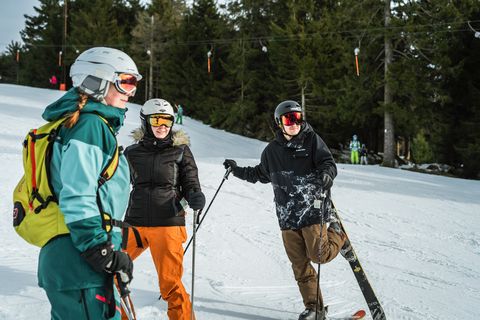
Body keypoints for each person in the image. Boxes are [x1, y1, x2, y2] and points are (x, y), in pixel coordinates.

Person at [38, 47, 142, 319]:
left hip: (78, 262)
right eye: (125, 82)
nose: (130, 92)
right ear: (97, 80)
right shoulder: (90, 126)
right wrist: (100, 249)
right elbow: (77, 194)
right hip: (81, 260)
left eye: (134, 83)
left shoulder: (87, 124)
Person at [223, 100, 349, 320]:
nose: (293, 123)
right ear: (279, 123)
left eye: (297, 118)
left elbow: (328, 162)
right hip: (287, 217)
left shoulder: (311, 141)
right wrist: (236, 170)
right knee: (299, 265)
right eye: (288, 119)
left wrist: (327, 174)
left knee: (319, 255)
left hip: (312, 210)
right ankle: (314, 308)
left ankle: (337, 234)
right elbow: (259, 174)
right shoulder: (271, 151)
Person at [123, 98, 205, 320]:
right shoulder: (131, 152)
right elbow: (118, 184)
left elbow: (190, 182)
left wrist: (195, 195)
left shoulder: (180, 151)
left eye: (167, 120)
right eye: (156, 119)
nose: (162, 125)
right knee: (112, 272)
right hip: (135, 222)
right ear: (146, 122)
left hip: (168, 222)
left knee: (170, 282)